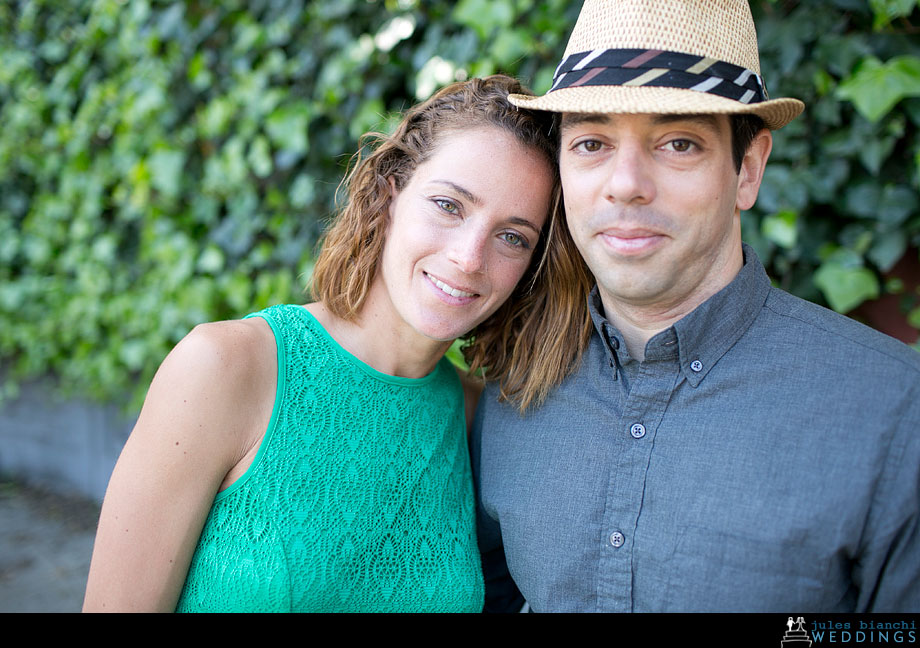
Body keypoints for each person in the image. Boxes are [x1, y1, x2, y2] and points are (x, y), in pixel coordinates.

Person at [82, 74, 593, 612]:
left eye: (512, 237)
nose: (469, 257)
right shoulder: (228, 368)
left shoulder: (471, 417)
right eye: (449, 205)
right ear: (390, 191)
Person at [473, 0, 920, 613]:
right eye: (592, 142)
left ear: (748, 169)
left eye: (678, 142)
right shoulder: (513, 389)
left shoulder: (895, 412)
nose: (625, 182)